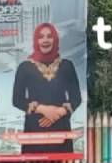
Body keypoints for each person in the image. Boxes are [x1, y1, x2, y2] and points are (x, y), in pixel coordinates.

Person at [12, 23, 83, 154]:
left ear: (55, 39)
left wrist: (59, 112)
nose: (45, 40)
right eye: (41, 37)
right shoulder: (24, 67)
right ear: (36, 40)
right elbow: (17, 99)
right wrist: (43, 109)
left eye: (49, 36)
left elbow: (76, 98)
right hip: (35, 129)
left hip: (61, 129)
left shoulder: (67, 66)